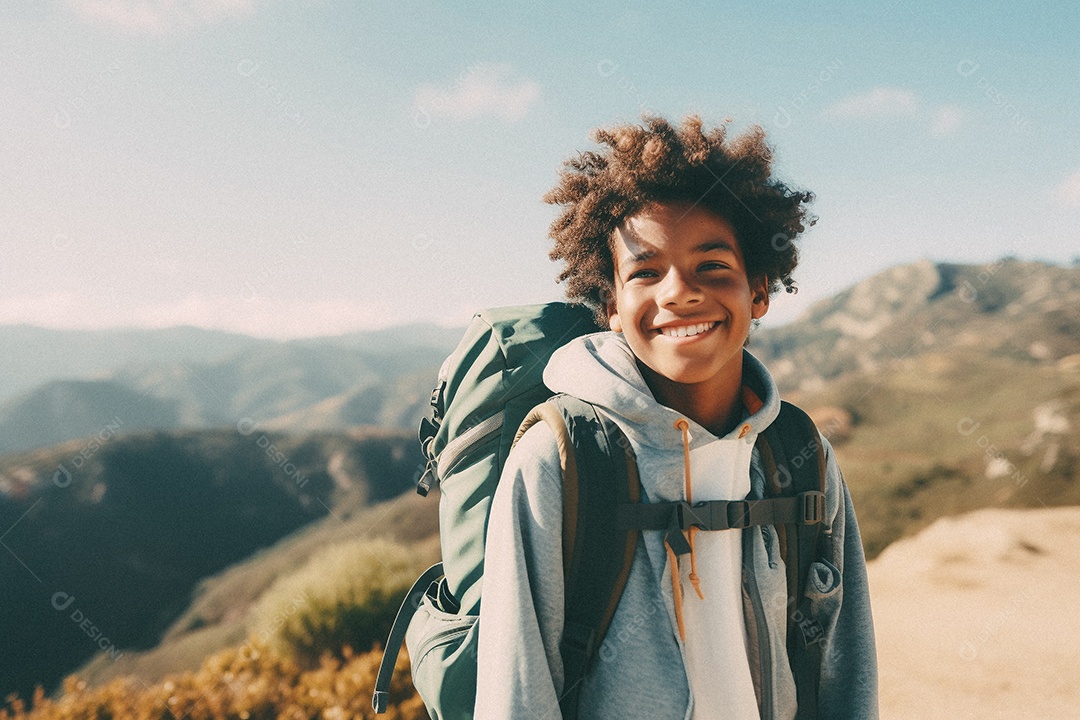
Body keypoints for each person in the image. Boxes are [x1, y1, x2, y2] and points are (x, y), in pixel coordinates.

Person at [474, 115, 878, 720]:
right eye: (644, 271)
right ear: (611, 304)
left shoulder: (801, 454)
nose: (678, 293)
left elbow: (847, 672)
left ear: (759, 289)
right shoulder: (562, 461)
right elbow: (516, 694)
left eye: (711, 266)